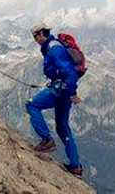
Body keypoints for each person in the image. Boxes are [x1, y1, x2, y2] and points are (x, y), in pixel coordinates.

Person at [26, 22, 83, 176]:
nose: (34, 39)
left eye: (35, 36)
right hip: (64, 90)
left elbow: (68, 71)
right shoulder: (54, 46)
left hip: (60, 90)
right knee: (62, 126)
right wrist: (71, 91)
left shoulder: (53, 48)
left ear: (41, 34)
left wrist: (70, 91)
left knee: (32, 105)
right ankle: (75, 165)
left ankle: (47, 140)